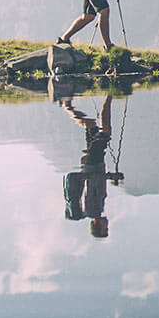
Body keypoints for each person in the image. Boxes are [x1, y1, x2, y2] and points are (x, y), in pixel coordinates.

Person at [60, 91, 123, 239]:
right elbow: (94, 182)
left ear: (97, 225)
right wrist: (109, 177)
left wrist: (110, 176)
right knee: (91, 125)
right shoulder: (94, 210)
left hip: (94, 162)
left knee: (105, 132)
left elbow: (94, 180)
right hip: (91, 163)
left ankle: (109, 95)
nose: (107, 225)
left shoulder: (94, 210)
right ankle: (67, 106)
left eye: (105, 228)